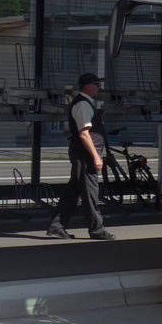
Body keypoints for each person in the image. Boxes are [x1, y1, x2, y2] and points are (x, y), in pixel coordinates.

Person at [47, 72, 114, 240]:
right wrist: (96, 157)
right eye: (97, 84)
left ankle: (56, 227)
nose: (99, 87)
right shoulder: (83, 105)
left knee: (74, 190)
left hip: (82, 153)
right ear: (87, 86)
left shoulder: (86, 103)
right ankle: (97, 230)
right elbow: (84, 134)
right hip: (84, 155)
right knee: (90, 192)